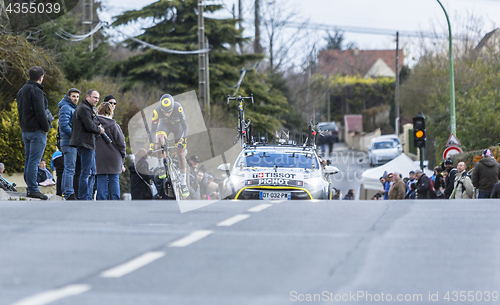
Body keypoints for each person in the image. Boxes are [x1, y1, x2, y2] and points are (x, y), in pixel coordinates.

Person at [16, 66, 51, 200]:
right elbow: (40, 112)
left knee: (28, 160)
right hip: (37, 131)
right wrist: (46, 127)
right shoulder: (37, 91)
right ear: (41, 77)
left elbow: (20, 111)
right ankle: (32, 189)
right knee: (34, 161)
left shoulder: (21, 91)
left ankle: (30, 187)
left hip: (25, 130)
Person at [148, 94, 189, 198]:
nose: (167, 114)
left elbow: (185, 127)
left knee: (180, 154)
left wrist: (182, 139)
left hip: (178, 127)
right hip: (164, 126)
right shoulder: (156, 111)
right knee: (159, 139)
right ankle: (161, 165)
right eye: (165, 112)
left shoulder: (178, 107)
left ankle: (183, 183)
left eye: (169, 112)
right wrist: (152, 145)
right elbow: (153, 130)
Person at [70, 89, 105, 200]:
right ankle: (84, 197)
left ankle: (87, 196)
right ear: (87, 96)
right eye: (94, 97)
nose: (96, 100)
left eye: (98, 98)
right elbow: (89, 126)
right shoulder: (84, 109)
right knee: (86, 172)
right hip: (85, 143)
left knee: (90, 172)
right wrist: (99, 129)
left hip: (85, 143)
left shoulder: (84, 108)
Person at [95, 102, 126, 200]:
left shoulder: (93, 125)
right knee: (114, 181)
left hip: (99, 157)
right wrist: (122, 156)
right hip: (114, 157)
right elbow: (121, 143)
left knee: (101, 180)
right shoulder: (114, 125)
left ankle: (101, 201)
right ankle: (115, 201)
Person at [58, 88, 81, 200]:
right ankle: (68, 193)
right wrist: (75, 136)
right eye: (73, 96)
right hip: (69, 142)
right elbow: (64, 125)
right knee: (69, 168)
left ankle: (66, 192)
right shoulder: (66, 108)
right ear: (68, 97)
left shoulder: (72, 108)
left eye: (77, 96)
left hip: (71, 142)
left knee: (69, 168)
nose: (76, 98)